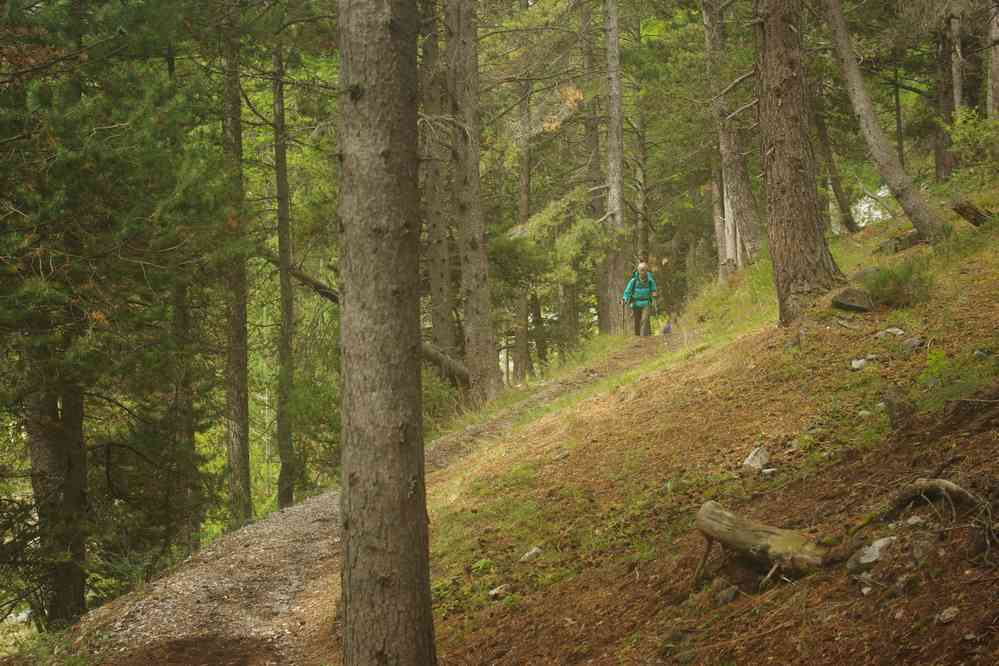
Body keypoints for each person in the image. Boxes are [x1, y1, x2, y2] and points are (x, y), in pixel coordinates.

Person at [622, 262, 657, 336]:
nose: (642, 271)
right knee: (637, 322)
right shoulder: (633, 281)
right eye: (641, 270)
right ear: (638, 270)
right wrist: (624, 299)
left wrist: (654, 296)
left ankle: (643, 337)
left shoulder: (650, 280)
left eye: (644, 270)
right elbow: (627, 291)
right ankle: (637, 338)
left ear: (646, 270)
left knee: (644, 320)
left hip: (646, 303)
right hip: (636, 304)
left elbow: (653, 289)